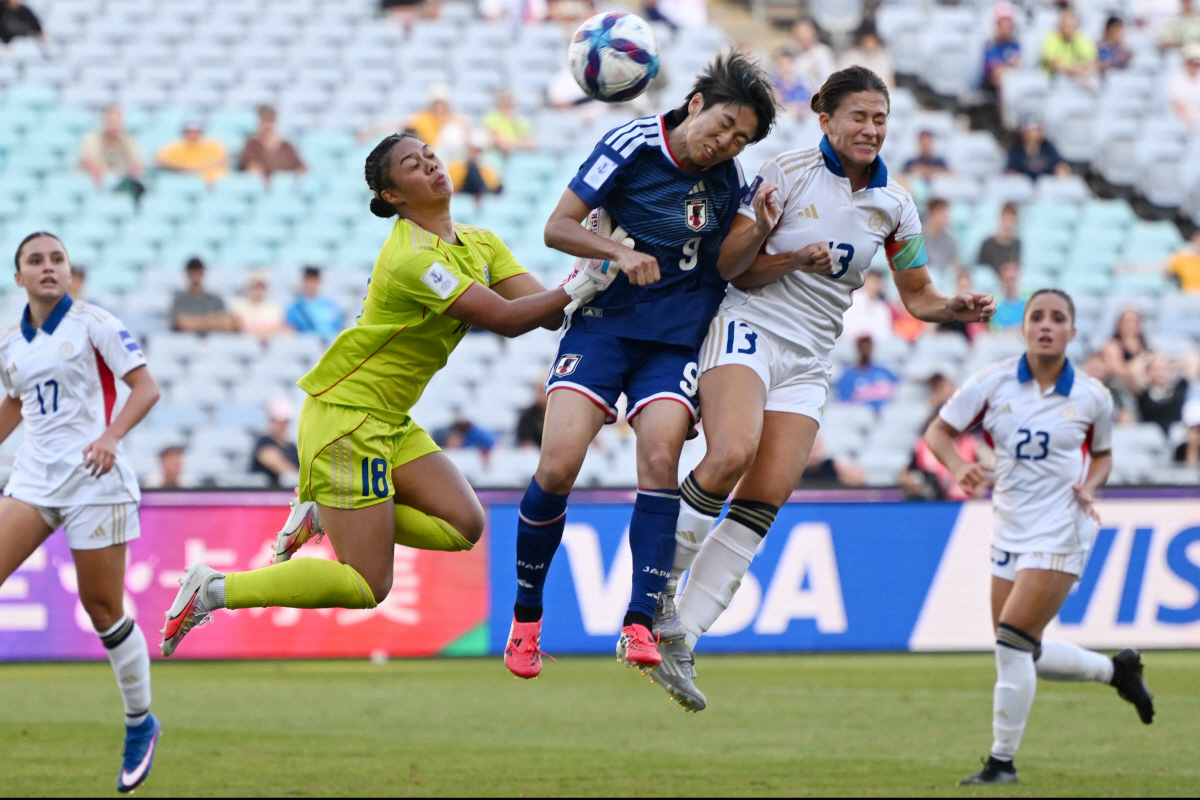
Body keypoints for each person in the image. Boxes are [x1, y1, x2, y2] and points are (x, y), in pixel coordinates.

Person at [160, 132, 616, 657]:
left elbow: (549, 310)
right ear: (393, 196)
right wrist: (592, 276)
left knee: (464, 525)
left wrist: (588, 271)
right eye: (412, 165)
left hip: (388, 418)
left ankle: (320, 512)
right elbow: (507, 320)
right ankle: (214, 589)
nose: (430, 165)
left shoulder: (481, 243)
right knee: (367, 585)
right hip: (346, 418)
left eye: (429, 156)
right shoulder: (413, 258)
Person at [654, 66, 996, 711]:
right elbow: (732, 269)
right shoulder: (784, 171)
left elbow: (917, 297)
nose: (871, 129)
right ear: (825, 116)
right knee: (730, 453)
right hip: (750, 325)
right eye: (859, 116)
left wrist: (956, 307)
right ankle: (653, 593)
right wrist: (785, 253)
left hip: (810, 357)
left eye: (880, 118)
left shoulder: (895, 204)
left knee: (767, 496)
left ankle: (683, 638)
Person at [503, 53, 778, 686]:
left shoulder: (730, 181)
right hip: (603, 327)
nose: (727, 142)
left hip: (674, 342)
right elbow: (558, 228)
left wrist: (770, 243)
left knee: (659, 461)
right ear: (697, 102)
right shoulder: (630, 142)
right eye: (727, 124)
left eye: (742, 138)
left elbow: (731, 270)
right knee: (557, 465)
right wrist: (615, 255)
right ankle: (526, 618)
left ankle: (638, 621)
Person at [923, 289, 1154, 786]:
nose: (1047, 325)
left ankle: (1001, 762)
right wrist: (961, 466)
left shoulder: (1093, 395)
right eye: (1037, 317)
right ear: (1024, 328)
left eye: (1058, 318)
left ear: (1072, 331)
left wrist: (1090, 486)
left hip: (1063, 527)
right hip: (1009, 526)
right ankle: (1118, 673)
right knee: (1025, 650)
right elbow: (938, 433)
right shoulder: (992, 382)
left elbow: (1105, 455)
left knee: (1011, 642)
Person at [0, 232, 163, 792]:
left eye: (57, 259)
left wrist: (113, 436)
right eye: (35, 261)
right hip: (33, 480)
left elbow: (146, 388)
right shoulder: (10, 344)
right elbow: (18, 403)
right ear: (18, 277)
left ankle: (141, 722)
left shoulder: (94, 323)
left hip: (96, 480)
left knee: (102, 610)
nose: (48, 268)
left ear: (69, 272)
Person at [79, 106, 145, 201]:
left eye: (117, 122)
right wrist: (103, 185)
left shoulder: (129, 140)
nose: (114, 125)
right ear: (104, 121)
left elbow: (136, 164)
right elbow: (89, 163)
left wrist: (130, 181)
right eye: (111, 121)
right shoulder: (92, 139)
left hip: (122, 184)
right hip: (95, 185)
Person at [238, 105, 305, 183]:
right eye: (264, 122)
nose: (268, 126)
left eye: (271, 121)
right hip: (264, 188)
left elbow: (299, 167)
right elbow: (251, 166)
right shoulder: (252, 145)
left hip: (288, 186)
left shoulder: (286, 146)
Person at [169, 258, 236, 333]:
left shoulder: (215, 300)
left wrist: (194, 322)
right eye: (192, 271)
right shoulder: (179, 300)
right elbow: (181, 323)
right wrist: (212, 321)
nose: (195, 275)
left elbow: (225, 322)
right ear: (187, 273)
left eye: (198, 271)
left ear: (203, 272)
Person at [155, 117, 229, 185]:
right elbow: (161, 161)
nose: (193, 134)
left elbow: (221, 160)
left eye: (196, 131)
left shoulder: (214, 145)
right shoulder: (172, 147)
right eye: (189, 131)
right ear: (184, 132)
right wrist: (185, 168)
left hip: (210, 181)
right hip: (182, 179)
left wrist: (198, 168)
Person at [836, 334, 898, 413]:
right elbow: (845, 403)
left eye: (868, 346)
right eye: (863, 347)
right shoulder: (848, 375)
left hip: (887, 415)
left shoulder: (884, 371)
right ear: (858, 348)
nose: (866, 350)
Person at [250, 397, 300, 489]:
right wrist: (295, 477)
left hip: (287, 497)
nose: (282, 425)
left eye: (285, 421)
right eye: (278, 421)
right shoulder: (264, 442)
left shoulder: (292, 447)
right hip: (264, 497)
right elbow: (272, 460)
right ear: (271, 420)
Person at [1101, 306, 1152, 395]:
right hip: (1122, 385)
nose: (1131, 325)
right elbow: (1116, 369)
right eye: (1128, 321)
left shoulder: (1144, 344)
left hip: (1144, 381)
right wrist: (1136, 365)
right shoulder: (1113, 345)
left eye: (1135, 321)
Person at [285, 266, 344, 342]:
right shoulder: (295, 307)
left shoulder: (330, 305)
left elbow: (337, 326)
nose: (311, 285)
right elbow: (292, 330)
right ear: (303, 282)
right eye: (308, 281)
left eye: (314, 281)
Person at [1132, 354, 1188, 433]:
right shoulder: (1143, 393)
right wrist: (1148, 357)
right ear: (1148, 372)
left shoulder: (1179, 390)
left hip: (1175, 434)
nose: (1160, 373)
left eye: (1164, 369)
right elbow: (1135, 371)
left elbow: (1190, 364)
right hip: (1150, 435)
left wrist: (1170, 360)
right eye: (1156, 370)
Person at [1041, 8, 1098, 86]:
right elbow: (1054, 64)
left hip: (1077, 81)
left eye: (1072, 26)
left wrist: (1081, 69)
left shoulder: (1081, 39)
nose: (1068, 29)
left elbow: (1091, 61)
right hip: (1052, 82)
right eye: (1066, 25)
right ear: (1060, 25)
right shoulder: (1051, 38)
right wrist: (1075, 69)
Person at [448, 130, 503, 208]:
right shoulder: (456, 165)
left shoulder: (487, 166)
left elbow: (494, 186)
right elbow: (451, 187)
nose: (475, 152)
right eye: (473, 149)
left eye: (478, 150)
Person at [231, 269, 289, 340]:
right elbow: (239, 328)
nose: (258, 291)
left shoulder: (274, 308)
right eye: (255, 287)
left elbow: (280, 329)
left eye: (261, 287)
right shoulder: (239, 306)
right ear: (249, 287)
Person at [841, 269, 893, 343]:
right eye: (873, 282)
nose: (876, 286)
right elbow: (846, 329)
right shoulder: (851, 300)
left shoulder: (882, 306)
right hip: (850, 345)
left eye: (879, 283)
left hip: (875, 347)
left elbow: (885, 333)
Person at [838, 23, 896, 89]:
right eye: (867, 41)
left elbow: (890, 84)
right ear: (861, 41)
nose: (869, 45)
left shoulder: (884, 56)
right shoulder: (849, 57)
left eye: (872, 41)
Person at [791, 18, 836, 99]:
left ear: (813, 32)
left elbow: (828, 80)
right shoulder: (792, 53)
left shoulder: (823, 53)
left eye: (805, 32)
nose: (802, 35)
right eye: (798, 32)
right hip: (797, 99)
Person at [983, 3, 1022, 95]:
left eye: (1008, 27)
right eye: (1003, 26)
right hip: (990, 85)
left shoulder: (1015, 45)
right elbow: (991, 67)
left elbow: (1018, 65)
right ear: (997, 26)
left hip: (1012, 84)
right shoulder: (990, 45)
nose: (1006, 30)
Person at [483, 90, 537, 156]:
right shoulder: (491, 117)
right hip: (497, 154)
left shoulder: (520, 120)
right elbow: (502, 144)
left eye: (509, 101)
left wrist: (511, 142)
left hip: (518, 155)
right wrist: (519, 142)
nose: (508, 104)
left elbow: (532, 144)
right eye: (504, 101)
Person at [799, 433, 865, 487]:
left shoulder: (834, 467)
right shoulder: (796, 472)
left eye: (816, 448)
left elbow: (860, 481)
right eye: (810, 448)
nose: (814, 453)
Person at [979, 202, 1022, 272]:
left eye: (1011, 218)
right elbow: (981, 269)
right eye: (1006, 217)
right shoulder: (988, 244)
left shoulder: (1017, 243)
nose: (1009, 222)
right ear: (1001, 218)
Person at [922, 197, 961, 273]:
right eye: (941, 213)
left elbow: (955, 263)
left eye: (946, 214)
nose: (945, 217)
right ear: (930, 214)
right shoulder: (915, 238)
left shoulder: (950, 240)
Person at [1169, 43, 1200, 131]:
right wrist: (1189, 120)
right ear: (1187, 62)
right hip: (1180, 120)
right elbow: (1178, 104)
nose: (1195, 66)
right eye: (1192, 63)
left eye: (1197, 64)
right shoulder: (1177, 79)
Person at [772, 47, 811, 114]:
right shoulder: (774, 87)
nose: (785, 68)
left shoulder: (801, 87)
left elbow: (809, 106)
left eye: (788, 64)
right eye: (782, 64)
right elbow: (776, 107)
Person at [991, 261, 1026, 331]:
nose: (1011, 284)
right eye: (1008, 280)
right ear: (1001, 280)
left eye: (1013, 279)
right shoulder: (995, 307)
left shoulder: (1028, 304)